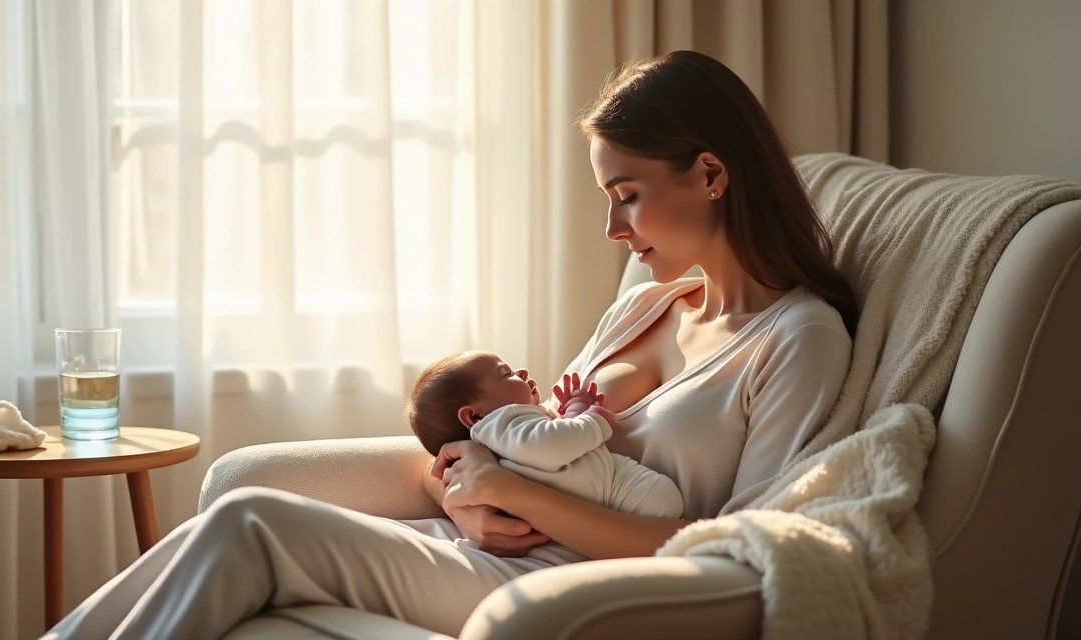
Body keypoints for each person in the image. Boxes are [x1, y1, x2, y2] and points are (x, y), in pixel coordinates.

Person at [42, 50, 856, 640]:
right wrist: (463, 495)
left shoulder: (799, 338)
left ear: (710, 175)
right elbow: (522, 441)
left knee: (255, 525)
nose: (612, 228)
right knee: (235, 518)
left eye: (628, 196)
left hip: (574, 585)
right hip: (496, 549)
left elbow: (736, 550)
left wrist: (515, 496)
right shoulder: (647, 305)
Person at [405, 350, 685, 556]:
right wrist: (591, 420)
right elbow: (553, 444)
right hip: (603, 503)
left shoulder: (511, 428)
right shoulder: (503, 422)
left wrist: (574, 411)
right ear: (474, 417)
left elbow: (551, 439)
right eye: (507, 374)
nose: (522, 373)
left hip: (616, 520)